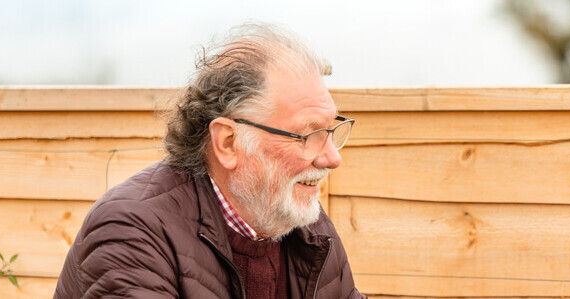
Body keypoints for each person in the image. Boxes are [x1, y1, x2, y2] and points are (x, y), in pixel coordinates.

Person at [54, 23, 365, 298]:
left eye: (330, 130)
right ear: (228, 143)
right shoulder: (132, 230)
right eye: (307, 135)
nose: (332, 158)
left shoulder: (304, 224)